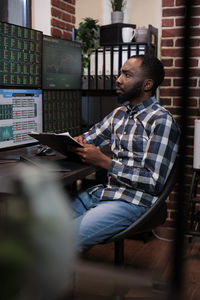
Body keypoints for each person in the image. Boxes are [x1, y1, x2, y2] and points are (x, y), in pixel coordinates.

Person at [71, 54, 180, 252]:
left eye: (127, 75)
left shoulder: (161, 122)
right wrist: (77, 141)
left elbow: (153, 182)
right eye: (121, 73)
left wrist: (106, 162)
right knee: (44, 224)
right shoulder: (119, 114)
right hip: (105, 193)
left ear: (147, 85)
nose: (118, 79)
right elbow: (88, 138)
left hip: (134, 201)